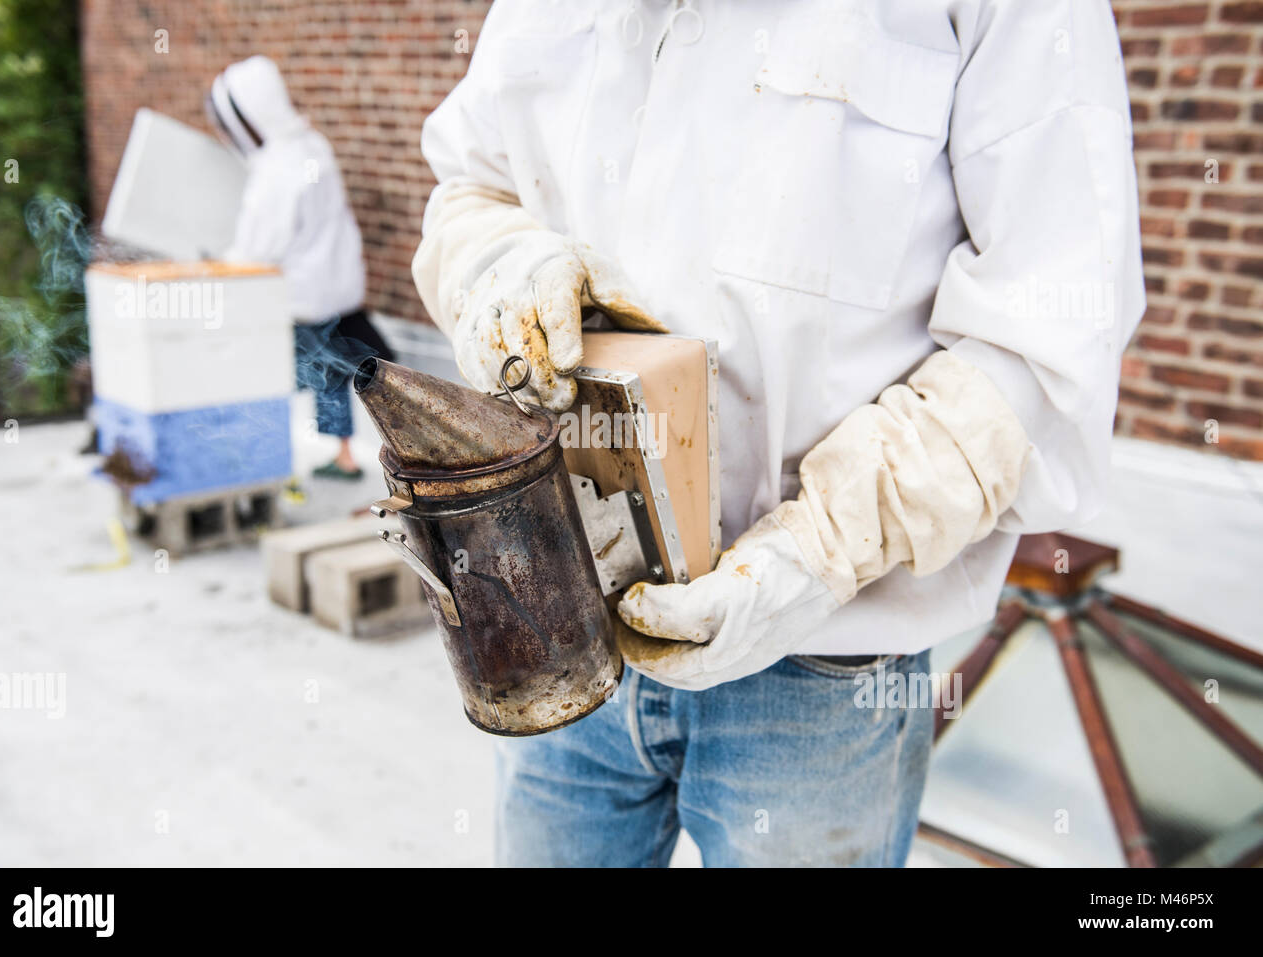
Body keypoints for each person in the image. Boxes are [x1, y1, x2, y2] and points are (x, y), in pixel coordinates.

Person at [413, 0, 1144, 866]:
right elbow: (471, 187)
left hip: (821, 671)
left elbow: (1052, 331)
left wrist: (818, 550)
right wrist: (506, 267)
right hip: (563, 610)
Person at [208, 55, 391, 480]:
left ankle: (259, 461)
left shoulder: (275, 170)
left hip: (299, 296)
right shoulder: (312, 146)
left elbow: (258, 249)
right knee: (328, 374)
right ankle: (344, 456)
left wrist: (222, 261)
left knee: (265, 376)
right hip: (335, 290)